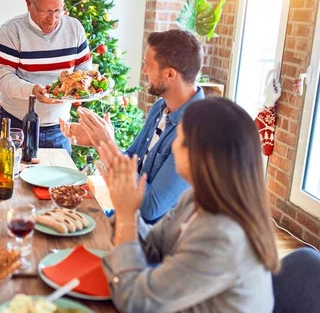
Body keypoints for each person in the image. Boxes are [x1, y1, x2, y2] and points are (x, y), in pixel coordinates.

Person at [98, 98, 279, 312]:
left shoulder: (222, 238)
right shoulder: (195, 199)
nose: (173, 145)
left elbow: (135, 302)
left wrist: (127, 214)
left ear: (201, 156)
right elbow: (153, 248)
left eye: (179, 139)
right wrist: (124, 202)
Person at [61, 29, 204, 222]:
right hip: (125, 218)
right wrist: (98, 141)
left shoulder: (196, 132)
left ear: (170, 74)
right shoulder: (161, 107)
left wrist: (108, 143)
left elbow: (150, 208)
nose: (144, 71)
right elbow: (132, 159)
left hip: (151, 239)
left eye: (148, 65)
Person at [0, 0, 91, 154]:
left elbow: (84, 71)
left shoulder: (75, 29)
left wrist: (79, 88)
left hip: (59, 128)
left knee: (60, 181)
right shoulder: (11, 31)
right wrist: (32, 90)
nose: (52, 19)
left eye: (57, 10)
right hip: (16, 125)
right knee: (13, 179)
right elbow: (3, 78)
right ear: (28, 3)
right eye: (45, 11)